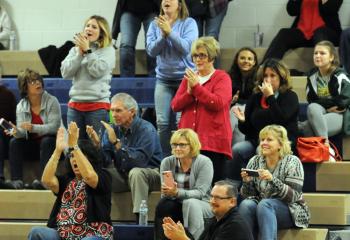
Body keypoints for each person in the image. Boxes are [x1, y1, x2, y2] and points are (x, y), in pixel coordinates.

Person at [27, 122, 113, 240]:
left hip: (93, 233)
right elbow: (46, 180)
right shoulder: (66, 179)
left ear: (90, 158)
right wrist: (57, 151)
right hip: (63, 234)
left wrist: (74, 146)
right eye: (71, 156)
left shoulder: (103, 176)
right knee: (36, 232)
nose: (74, 160)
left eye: (78, 155)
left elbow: (89, 177)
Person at [86, 93, 162, 221]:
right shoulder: (112, 129)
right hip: (124, 174)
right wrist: (97, 145)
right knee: (96, 175)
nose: (114, 114)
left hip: (151, 174)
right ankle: (96, 218)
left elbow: (139, 161)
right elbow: (105, 161)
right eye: (112, 110)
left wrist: (116, 143)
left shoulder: (146, 129)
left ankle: (140, 219)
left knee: (136, 173)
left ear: (132, 112)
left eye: (118, 110)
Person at [172, 36, 232, 183]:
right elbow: (175, 105)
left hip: (212, 144)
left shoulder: (222, 78)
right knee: (183, 187)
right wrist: (190, 93)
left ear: (212, 57)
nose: (198, 59)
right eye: (195, 56)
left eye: (202, 55)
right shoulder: (189, 78)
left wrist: (196, 88)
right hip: (187, 144)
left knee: (210, 190)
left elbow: (217, 103)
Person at [229, 59, 299, 183]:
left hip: (282, 142)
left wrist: (270, 97)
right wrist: (242, 121)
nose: (268, 79)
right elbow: (248, 130)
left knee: (260, 150)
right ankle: (234, 183)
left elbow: (281, 120)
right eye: (265, 76)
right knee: (238, 149)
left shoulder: (290, 96)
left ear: (281, 78)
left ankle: (263, 185)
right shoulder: (255, 97)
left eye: (273, 76)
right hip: (256, 141)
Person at [239, 125, 310, 240]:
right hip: (263, 207)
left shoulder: (293, 162)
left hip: (291, 209)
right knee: (246, 205)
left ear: (281, 144)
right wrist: (247, 182)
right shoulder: (255, 161)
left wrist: (272, 180)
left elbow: (293, 196)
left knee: (265, 204)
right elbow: (248, 195)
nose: (264, 143)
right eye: (262, 140)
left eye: (269, 140)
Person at [146, 0, 198, 157]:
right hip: (163, 79)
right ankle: (165, 159)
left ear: (180, 4)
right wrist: (162, 36)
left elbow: (187, 48)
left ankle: (181, 157)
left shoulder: (189, 23)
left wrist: (170, 32)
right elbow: (151, 51)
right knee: (162, 123)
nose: (166, 1)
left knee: (179, 123)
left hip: (185, 79)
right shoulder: (155, 24)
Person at [3, 69, 61, 189]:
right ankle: (16, 181)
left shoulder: (52, 101)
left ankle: (45, 182)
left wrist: (33, 127)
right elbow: (23, 133)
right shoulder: (21, 105)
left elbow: (54, 128)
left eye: (38, 80)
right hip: (33, 146)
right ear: (25, 87)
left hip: (51, 146)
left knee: (47, 141)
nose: (38, 83)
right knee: (15, 142)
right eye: (32, 82)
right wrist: (16, 131)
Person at [61, 15, 115, 139]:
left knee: (96, 148)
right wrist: (80, 54)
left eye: (94, 27)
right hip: (75, 106)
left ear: (102, 32)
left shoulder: (108, 50)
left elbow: (97, 71)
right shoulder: (75, 50)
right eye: (87, 26)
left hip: (98, 106)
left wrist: (88, 51)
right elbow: (65, 73)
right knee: (74, 148)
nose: (89, 29)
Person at [154, 128, 213, 240]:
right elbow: (166, 194)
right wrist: (168, 192)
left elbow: (200, 193)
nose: (177, 148)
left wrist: (177, 192)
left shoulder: (204, 162)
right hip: (176, 201)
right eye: (174, 145)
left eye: (182, 145)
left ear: (192, 145)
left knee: (190, 203)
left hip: (202, 203)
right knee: (164, 204)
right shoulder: (167, 162)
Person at [162, 179, 254, 240]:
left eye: (218, 197)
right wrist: (181, 234)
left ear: (232, 202)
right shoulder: (215, 220)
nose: (212, 201)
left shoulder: (235, 225)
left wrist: (182, 238)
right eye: (212, 196)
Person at [299, 41, 350, 141]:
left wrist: (325, 106)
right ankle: (324, 147)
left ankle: (323, 147)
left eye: (322, 53)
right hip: (323, 112)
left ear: (331, 57)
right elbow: (311, 101)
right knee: (312, 107)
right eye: (315, 53)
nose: (318, 56)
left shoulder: (339, 75)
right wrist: (328, 107)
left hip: (341, 115)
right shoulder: (312, 76)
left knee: (307, 127)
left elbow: (343, 101)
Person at [262, 0, 343, 63]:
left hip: (326, 33)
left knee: (320, 33)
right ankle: (263, 71)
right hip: (303, 33)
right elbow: (291, 10)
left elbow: (331, 9)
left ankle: (326, 75)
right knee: (284, 33)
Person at [111, 0, 160, 77]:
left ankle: (155, 81)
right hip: (129, 10)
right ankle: (126, 84)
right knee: (126, 45)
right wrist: (114, 35)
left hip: (153, 10)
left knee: (152, 44)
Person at [228, 47, 258, 145]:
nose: (246, 61)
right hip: (232, 109)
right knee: (234, 110)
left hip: (252, 110)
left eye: (250, 59)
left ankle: (229, 145)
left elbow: (256, 99)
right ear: (237, 60)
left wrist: (238, 101)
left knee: (235, 110)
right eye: (242, 58)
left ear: (254, 62)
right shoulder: (228, 76)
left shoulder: (259, 77)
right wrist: (232, 101)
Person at [0, 73, 16, 186]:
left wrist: (10, 128)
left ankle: (0, 176)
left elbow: (15, 123)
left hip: (7, 132)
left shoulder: (8, 95)